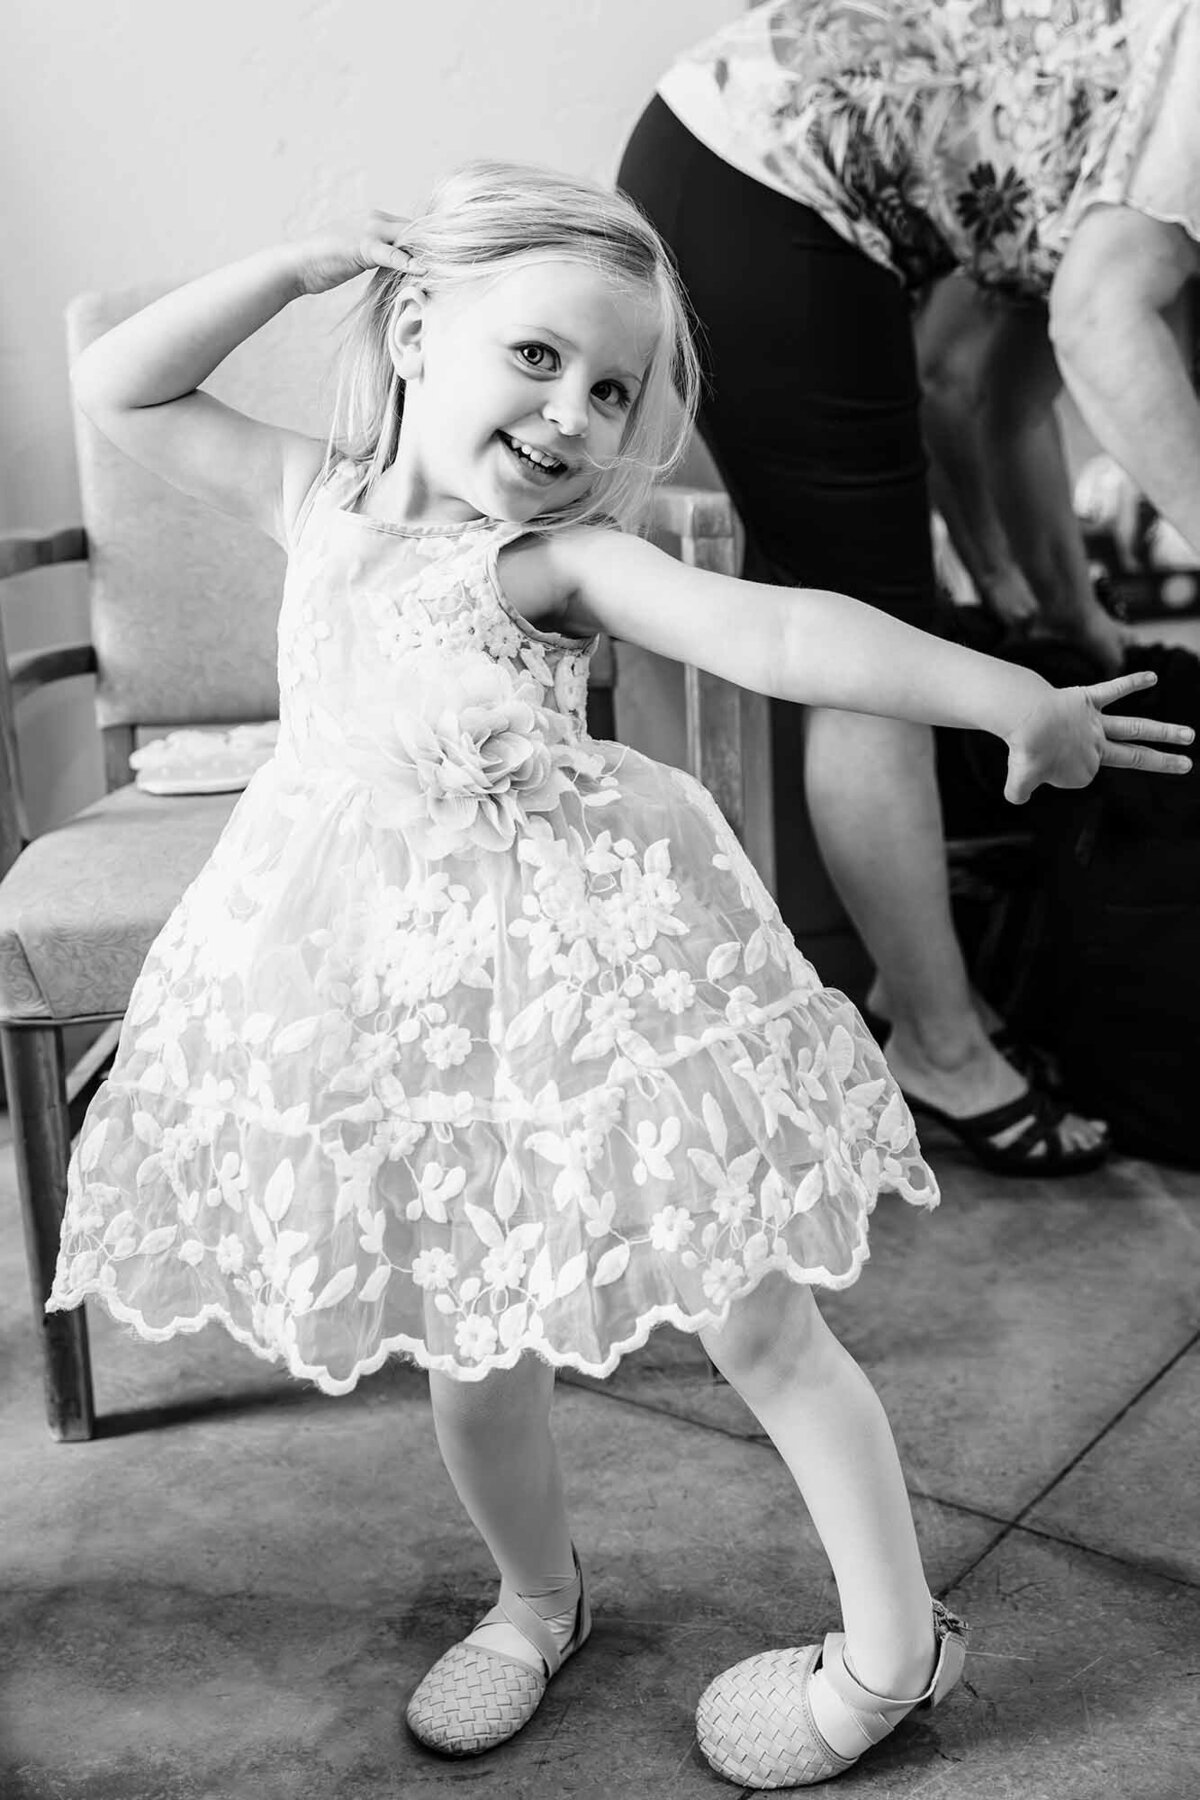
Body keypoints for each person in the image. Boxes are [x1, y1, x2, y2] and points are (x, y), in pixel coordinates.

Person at [45, 162, 1190, 1789]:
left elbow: (781, 636)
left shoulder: (553, 567)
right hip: (391, 995)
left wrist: (1004, 694)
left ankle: (892, 1646)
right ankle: (535, 1601)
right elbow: (123, 384)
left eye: (614, 388)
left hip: (581, 986)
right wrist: (298, 269)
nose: (576, 415)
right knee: (472, 1341)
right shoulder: (314, 500)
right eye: (538, 360)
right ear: (425, 324)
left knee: (761, 1324)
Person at [617, 0, 1200, 1178]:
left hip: (737, 161)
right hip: (767, 178)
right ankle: (939, 1047)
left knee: (888, 628)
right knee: (871, 653)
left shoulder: (1090, 168)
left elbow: (987, 396)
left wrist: (1062, 610)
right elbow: (1098, 327)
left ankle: (919, 985)